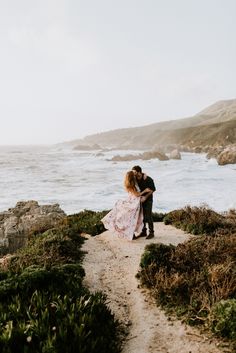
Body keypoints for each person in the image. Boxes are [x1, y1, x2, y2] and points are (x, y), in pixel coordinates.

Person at [101, 171, 151, 241]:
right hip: (134, 203)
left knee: (131, 219)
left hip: (133, 201)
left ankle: (133, 234)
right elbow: (137, 194)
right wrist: (145, 191)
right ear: (132, 177)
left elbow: (140, 175)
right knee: (131, 219)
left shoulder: (130, 183)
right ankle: (131, 234)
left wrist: (145, 174)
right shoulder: (131, 185)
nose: (135, 175)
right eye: (134, 175)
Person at [132, 165, 156, 239]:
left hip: (148, 199)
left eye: (134, 172)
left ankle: (151, 232)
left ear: (139, 172)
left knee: (148, 216)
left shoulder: (148, 179)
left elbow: (153, 189)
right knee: (141, 216)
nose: (133, 173)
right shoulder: (134, 179)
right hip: (139, 200)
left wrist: (145, 197)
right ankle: (144, 232)